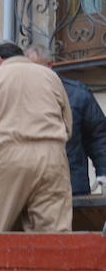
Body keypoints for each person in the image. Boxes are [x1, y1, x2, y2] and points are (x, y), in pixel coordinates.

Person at [0, 42, 73, 232]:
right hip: (52, 160)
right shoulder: (51, 77)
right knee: (54, 240)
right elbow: (67, 126)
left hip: (6, 157)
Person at [27, 45, 106, 196]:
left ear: (49, 66)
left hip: (72, 186)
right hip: (31, 189)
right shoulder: (18, 97)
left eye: (36, 69)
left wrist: (103, 173)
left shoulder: (77, 93)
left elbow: (98, 137)